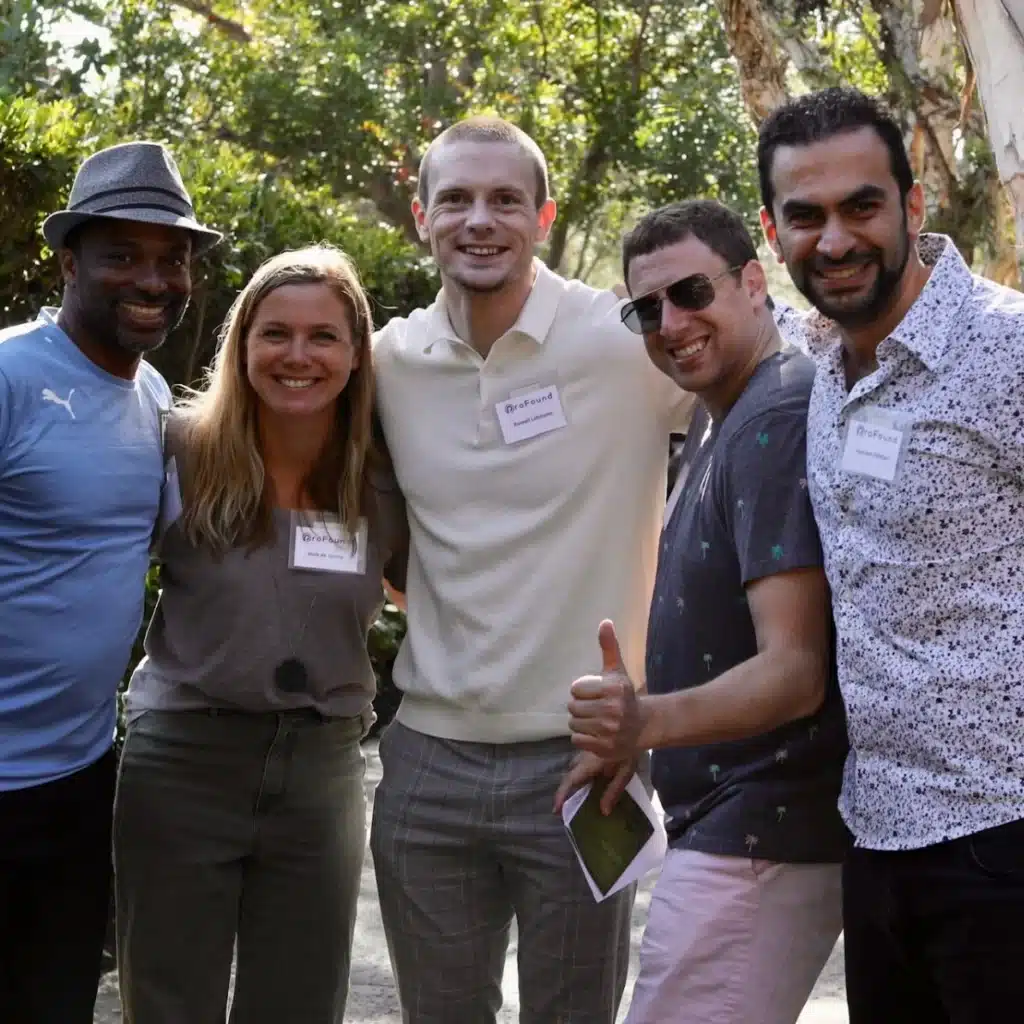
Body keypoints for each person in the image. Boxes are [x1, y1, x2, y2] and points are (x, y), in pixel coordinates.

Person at [369, 116, 693, 1023]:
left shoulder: (625, 339)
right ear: (421, 217)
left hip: (584, 762)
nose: (481, 220)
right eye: (457, 199)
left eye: (506, 199)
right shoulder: (390, 361)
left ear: (543, 215)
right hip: (427, 761)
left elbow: (765, 365)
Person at [758, 85, 1024, 1022]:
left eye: (861, 206)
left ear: (912, 205)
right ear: (774, 229)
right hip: (879, 839)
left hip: (1006, 836)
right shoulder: (825, 359)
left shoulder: (1007, 349)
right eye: (806, 216)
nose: (834, 240)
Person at [558, 199, 848, 1024]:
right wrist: (645, 746)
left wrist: (642, 722)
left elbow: (793, 670)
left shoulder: (774, 416)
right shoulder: (730, 413)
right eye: (645, 308)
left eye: (691, 292)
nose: (671, 322)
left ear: (754, 282)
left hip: (758, 838)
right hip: (733, 832)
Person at [113, 245, 407, 1023]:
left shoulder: (380, 475)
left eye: (323, 336)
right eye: (275, 333)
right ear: (242, 344)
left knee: (301, 1002)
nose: (298, 356)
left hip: (321, 769)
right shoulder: (177, 448)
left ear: (355, 353)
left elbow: (436, 594)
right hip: (183, 757)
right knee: (169, 997)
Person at [0, 142, 219, 1024]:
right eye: (122, 254)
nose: (154, 279)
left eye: (173, 260)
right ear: (68, 261)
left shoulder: (153, 394)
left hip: (78, 780)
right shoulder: (11, 375)